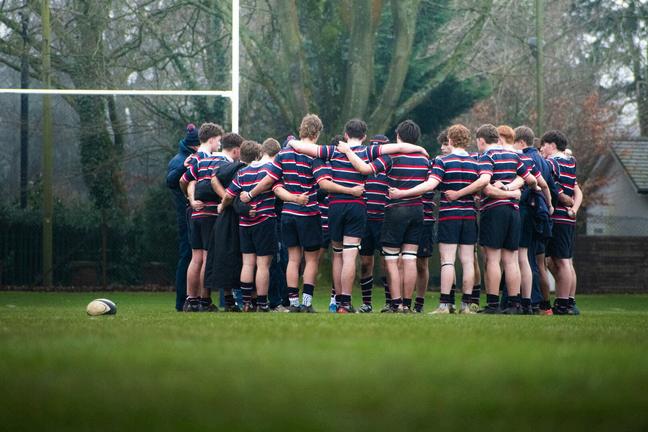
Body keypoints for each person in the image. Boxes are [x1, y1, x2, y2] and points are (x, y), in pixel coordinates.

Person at [289, 119, 426, 313]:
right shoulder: (369, 151)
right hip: (357, 206)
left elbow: (301, 147)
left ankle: (337, 301)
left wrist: (290, 142)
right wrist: (420, 149)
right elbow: (400, 147)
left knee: (338, 255)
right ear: (364, 136)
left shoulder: (332, 151)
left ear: (346, 134)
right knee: (350, 255)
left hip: (335, 206)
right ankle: (346, 303)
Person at [390, 124, 489, 314]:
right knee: (468, 260)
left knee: (448, 261)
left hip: (449, 216)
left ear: (450, 140)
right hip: (470, 216)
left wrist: (403, 193)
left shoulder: (443, 161)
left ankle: (444, 305)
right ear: (467, 141)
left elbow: (430, 185)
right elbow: (481, 185)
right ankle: (466, 305)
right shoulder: (477, 161)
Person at [338, 120, 430, 313]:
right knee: (410, 259)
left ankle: (395, 303)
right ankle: (406, 304)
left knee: (391, 259)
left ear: (398, 137)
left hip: (395, 211)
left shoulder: (391, 157)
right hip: (416, 210)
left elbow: (364, 169)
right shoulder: (424, 159)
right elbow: (430, 184)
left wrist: (347, 151)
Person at [445, 124, 537, 314]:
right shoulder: (514, 156)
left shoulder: (487, 156)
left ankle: (493, 304)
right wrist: (512, 190)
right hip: (513, 212)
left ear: (481, 140)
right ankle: (514, 305)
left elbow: (485, 185)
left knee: (493, 259)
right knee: (511, 259)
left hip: (494, 211)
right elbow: (531, 180)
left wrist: (459, 193)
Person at [220, 140, 277, 312]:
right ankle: (262, 303)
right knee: (263, 264)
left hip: (245, 223)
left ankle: (245, 303)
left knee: (247, 263)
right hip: (264, 220)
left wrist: (222, 206)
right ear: (259, 154)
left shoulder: (242, 173)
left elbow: (229, 195)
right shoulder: (269, 169)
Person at [178, 122, 225, 312]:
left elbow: (186, 181)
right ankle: (204, 301)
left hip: (195, 214)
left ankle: (191, 300)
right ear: (212, 139)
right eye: (219, 141)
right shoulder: (205, 158)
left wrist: (190, 200)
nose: (219, 145)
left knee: (195, 257)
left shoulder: (194, 158)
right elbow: (190, 182)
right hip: (207, 211)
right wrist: (193, 199)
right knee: (206, 257)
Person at [541, 130, 583, 315]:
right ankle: (567, 301)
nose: (542, 148)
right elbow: (572, 186)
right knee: (563, 260)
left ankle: (563, 303)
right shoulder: (571, 161)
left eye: (544, 145)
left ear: (552, 145)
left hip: (558, 216)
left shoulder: (552, 162)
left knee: (562, 261)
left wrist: (559, 195)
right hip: (568, 218)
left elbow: (549, 183)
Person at [166, 124, 199, 311]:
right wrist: (183, 168)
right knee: (187, 256)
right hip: (186, 216)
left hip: (192, 215)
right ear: (196, 145)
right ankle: (182, 301)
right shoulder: (180, 160)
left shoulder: (190, 157)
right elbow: (170, 181)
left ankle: (194, 299)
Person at [358, 134, 390, 313]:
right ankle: (366, 303)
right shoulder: (362, 167)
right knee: (365, 263)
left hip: (384, 221)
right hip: (365, 222)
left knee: (387, 263)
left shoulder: (390, 167)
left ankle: (389, 302)